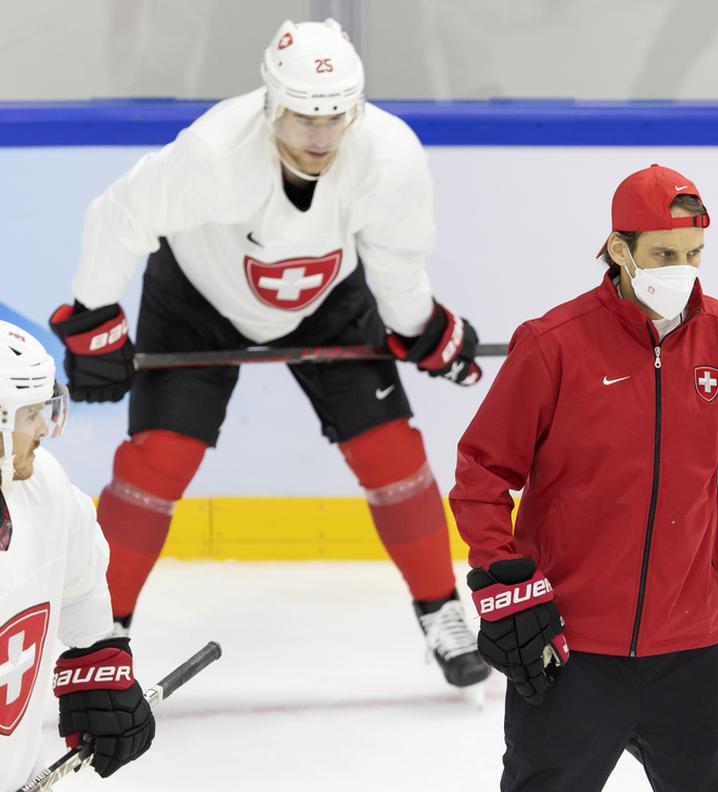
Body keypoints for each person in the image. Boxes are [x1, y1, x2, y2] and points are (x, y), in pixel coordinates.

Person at [46, 19, 487, 688]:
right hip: (196, 299)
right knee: (157, 462)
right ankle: (101, 635)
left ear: (356, 109)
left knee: (392, 450)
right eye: (303, 117)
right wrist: (95, 320)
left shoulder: (391, 156)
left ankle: (441, 612)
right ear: (270, 105)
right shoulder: (215, 153)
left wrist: (422, 327)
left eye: (336, 116)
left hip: (332, 299)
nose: (320, 136)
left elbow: (395, 263)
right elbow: (119, 216)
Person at [450, 164, 718, 791]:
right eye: (662, 253)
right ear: (618, 249)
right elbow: (482, 473)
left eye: (693, 254)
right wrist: (502, 584)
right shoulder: (553, 345)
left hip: (696, 652)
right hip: (572, 653)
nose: (680, 270)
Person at [0, 322, 157, 788]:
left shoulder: (44, 485)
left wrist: (97, 664)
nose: (45, 429)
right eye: (31, 416)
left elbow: (79, 582)